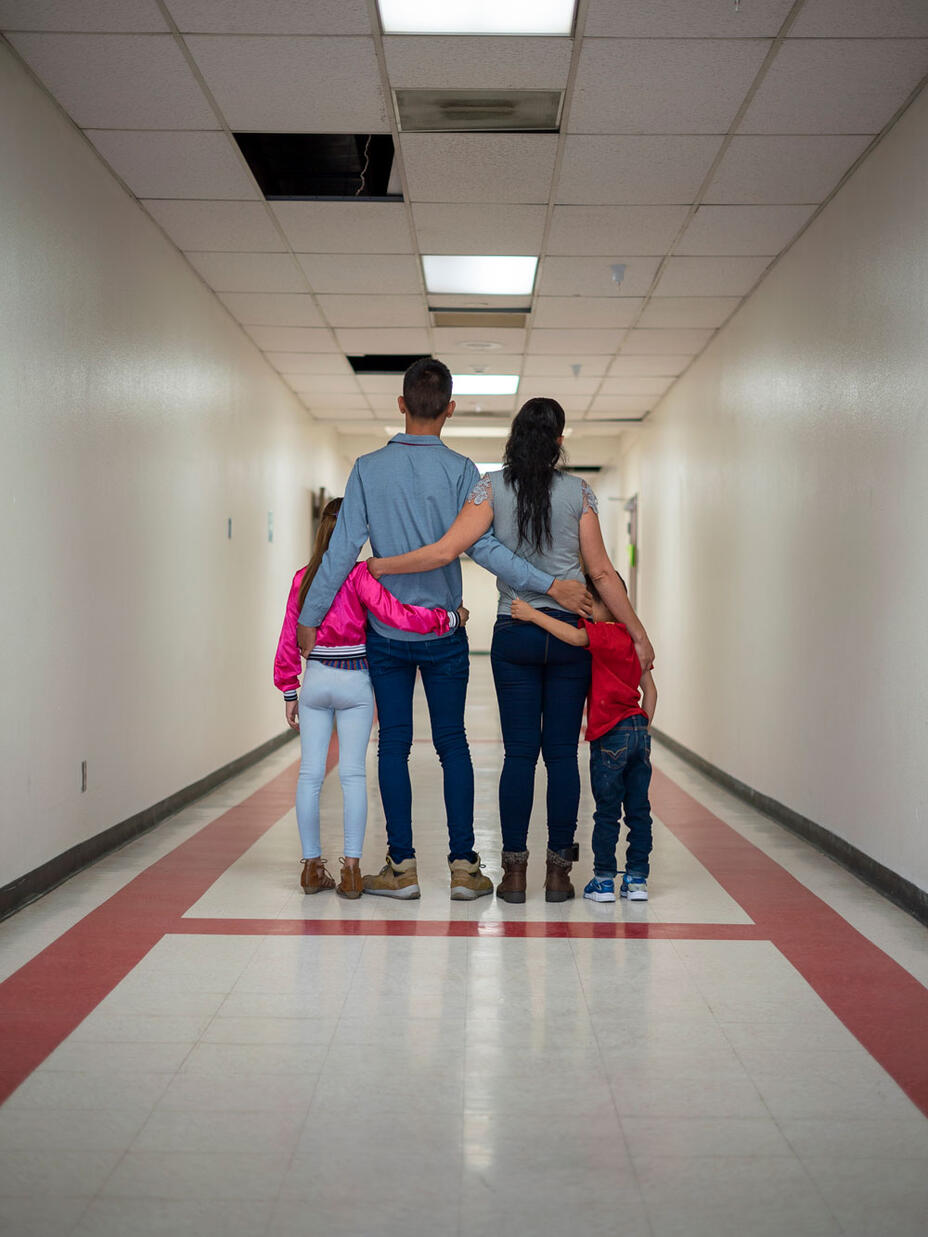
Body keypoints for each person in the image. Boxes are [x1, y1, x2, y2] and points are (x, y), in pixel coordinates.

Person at [296, 359, 589, 901]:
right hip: (446, 635)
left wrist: (309, 619)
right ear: (450, 409)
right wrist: (550, 585)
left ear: (401, 406)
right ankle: (462, 868)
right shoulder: (462, 472)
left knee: (394, 747)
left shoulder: (366, 468)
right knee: (453, 745)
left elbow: (341, 551)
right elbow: (486, 548)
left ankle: (402, 868)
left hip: (387, 634)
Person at [368, 397, 654, 903]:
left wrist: (381, 567)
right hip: (570, 636)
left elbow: (448, 549)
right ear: (560, 442)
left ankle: (515, 876)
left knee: (519, 755)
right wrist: (636, 631)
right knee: (562, 755)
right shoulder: (579, 493)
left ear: (514, 437)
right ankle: (560, 875)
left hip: (515, 632)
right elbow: (604, 572)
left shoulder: (491, 487)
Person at [275, 497, 465, 899]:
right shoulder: (361, 576)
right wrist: (448, 618)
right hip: (354, 680)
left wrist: (289, 688)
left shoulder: (302, 578)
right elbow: (399, 615)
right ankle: (351, 871)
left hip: (316, 682)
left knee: (310, 775)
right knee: (352, 774)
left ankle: (311, 868)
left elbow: (289, 637)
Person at [510, 576, 657, 903]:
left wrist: (532, 614)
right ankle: (637, 880)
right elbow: (651, 692)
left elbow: (575, 637)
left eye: (593, 603)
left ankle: (604, 880)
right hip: (637, 732)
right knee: (638, 811)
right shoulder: (634, 642)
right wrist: (642, 730)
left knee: (607, 812)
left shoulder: (603, 633)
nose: (587, 609)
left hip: (610, 736)